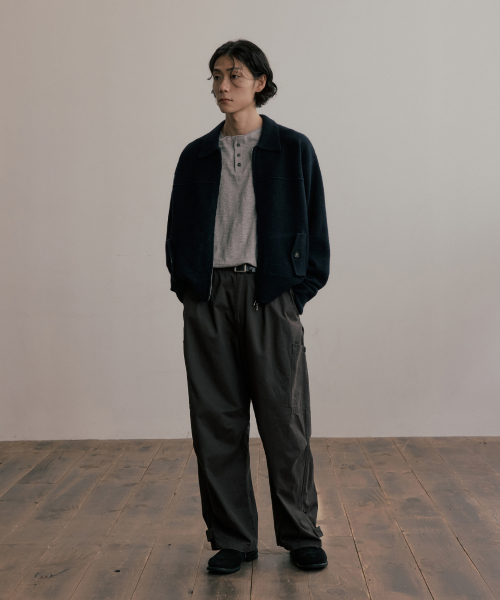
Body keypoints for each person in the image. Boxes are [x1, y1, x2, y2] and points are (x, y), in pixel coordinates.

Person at [165, 39, 330, 575]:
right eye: (215, 76)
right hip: (209, 299)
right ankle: (233, 539)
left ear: (259, 82)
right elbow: (177, 232)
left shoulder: (293, 148)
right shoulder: (195, 155)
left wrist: (294, 292)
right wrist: (191, 291)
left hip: (270, 295)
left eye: (234, 75)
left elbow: (316, 229)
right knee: (216, 421)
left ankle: (301, 533)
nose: (222, 86)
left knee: (285, 420)